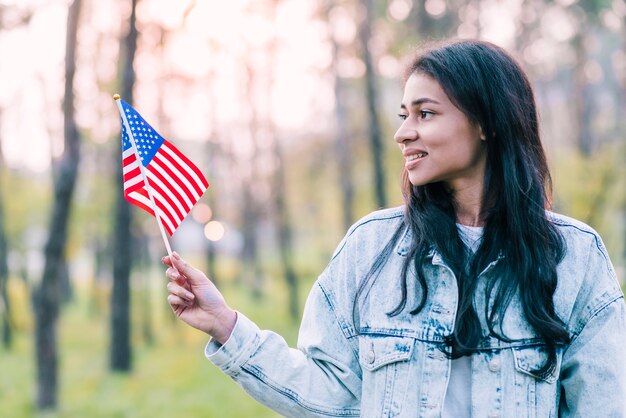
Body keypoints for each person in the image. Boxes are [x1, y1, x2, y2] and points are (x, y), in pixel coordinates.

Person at [162, 39, 626, 417]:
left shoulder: (575, 257)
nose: (404, 132)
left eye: (425, 114)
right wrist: (226, 326)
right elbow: (330, 396)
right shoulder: (371, 248)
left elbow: (603, 406)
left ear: (486, 122)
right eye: (404, 115)